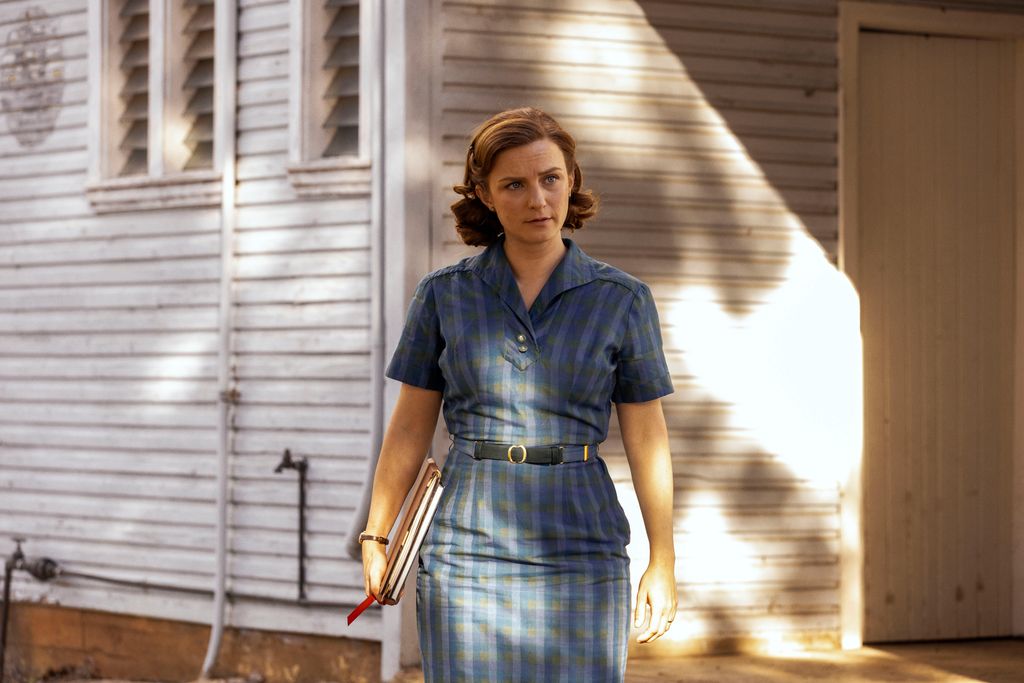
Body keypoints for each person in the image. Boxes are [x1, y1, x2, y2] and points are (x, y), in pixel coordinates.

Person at [360, 107, 677, 682]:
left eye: (550, 178)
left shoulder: (623, 300)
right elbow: (408, 427)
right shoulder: (443, 295)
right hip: (466, 546)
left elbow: (647, 435)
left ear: (571, 180)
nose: (538, 200)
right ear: (484, 192)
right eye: (515, 184)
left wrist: (664, 559)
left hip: (583, 543)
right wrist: (377, 533)